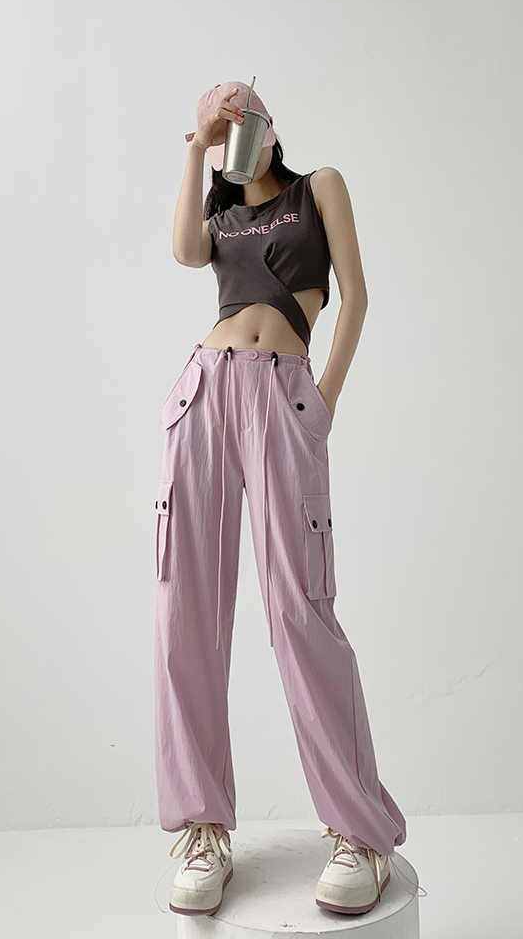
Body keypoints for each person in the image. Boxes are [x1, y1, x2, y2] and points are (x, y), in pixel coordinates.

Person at [154, 81, 407, 917]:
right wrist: (197, 152)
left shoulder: (316, 188)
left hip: (282, 394)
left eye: (245, 115)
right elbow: (185, 252)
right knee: (186, 609)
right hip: (203, 392)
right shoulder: (220, 216)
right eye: (220, 121)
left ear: (269, 125)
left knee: (301, 607)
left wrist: (321, 397)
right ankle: (202, 827)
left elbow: (355, 296)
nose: (235, 128)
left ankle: (359, 830)